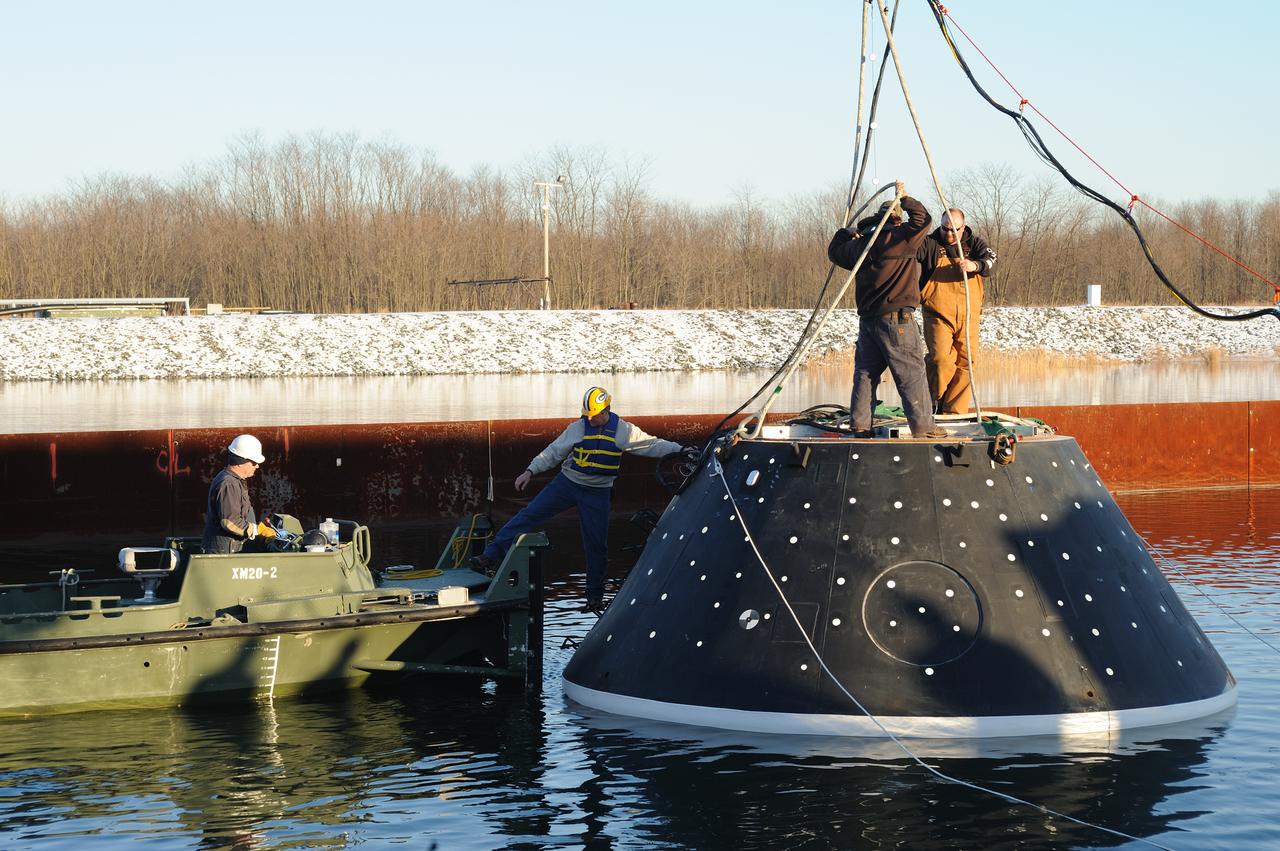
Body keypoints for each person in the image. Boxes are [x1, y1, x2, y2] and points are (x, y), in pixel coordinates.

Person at [472, 386, 688, 609]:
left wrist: (681, 450)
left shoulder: (624, 431)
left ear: (606, 411)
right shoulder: (577, 429)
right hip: (567, 484)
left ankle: (594, 595)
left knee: (596, 545)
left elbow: (652, 445)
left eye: (593, 415)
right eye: (587, 415)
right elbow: (553, 452)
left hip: (597, 493)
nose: (589, 419)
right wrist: (530, 470)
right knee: (529, 515)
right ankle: (491, 555)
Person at [828, 182, 945, 439]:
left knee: (865, 374)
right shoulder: (901, 239)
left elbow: (834, 251)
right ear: (896, 219)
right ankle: (925, 428)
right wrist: (904, 198)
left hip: (869, 322)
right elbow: (923, 218)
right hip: (897, 321)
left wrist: (847, 232)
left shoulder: (861, 246)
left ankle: (860, 425)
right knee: (911, 375)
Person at [916, 208, 998, 414]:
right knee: (940, 359)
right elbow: (908, 250)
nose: (949, 234)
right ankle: (934, 400)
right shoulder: (930, 243)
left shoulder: (976, 244)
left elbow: (992, 263)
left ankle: (954, 410)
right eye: (945, 229)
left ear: (963, 227)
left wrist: (975, 265)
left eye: (954, 230)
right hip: (937, 313)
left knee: (966, 362)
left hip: (969, 314)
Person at [202, 434, 267, 554]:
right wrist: (257, 530)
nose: (257, 466)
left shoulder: (234, 481)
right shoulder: (229, 484)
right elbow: (230, 522)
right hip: (225, 554)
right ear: (240, 461)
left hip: (228, 550)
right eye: (254, 462)